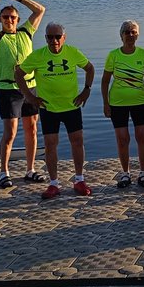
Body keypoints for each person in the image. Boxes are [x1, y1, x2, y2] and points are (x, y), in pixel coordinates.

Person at [15, 22, 95, 199]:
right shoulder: (38, 56)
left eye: (58, 37)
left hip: (71, 106)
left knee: (77, 141)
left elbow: (89, 68)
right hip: (48, 108)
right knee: (51, 144)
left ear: (64, 38)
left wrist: (87, 90)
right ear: (45, 38)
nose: (54, 40)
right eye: (50, 37)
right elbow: (19, 73)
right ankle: (53, 183)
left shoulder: (72, 52)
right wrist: (29, 96)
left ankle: (79, 180)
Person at [0, 0, 46, 187]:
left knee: (31, 129)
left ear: (17, 19)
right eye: (6, 17)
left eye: (13, 17)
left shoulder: (26, 32)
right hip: (8, 90)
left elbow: (40, 10)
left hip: (30, 87)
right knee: (10, 133)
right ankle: (4, 172)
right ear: (0, 19)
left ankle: (30, 170)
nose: (9, 20)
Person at [101, 20, 144, 188]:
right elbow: (105, 81)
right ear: (121, 36)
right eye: (127, 32)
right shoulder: (113, 55)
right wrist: (105, 103)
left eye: (133, 32)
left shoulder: (143, 54)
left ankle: (143, 173)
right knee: (123, 139)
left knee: (142, 137)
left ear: (137, 35)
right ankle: (125, 174)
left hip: (141, 102)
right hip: (117, 103)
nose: (130, 35)